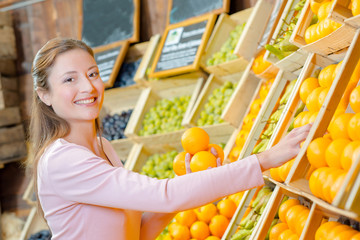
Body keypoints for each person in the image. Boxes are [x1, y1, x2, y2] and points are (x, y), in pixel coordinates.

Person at [27, 38, 311, 240]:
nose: (88, 86)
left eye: (93, 74)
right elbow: (163, 195)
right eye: (69, 79)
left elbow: (137, 233)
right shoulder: (62, 161)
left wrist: (186, 182)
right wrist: (265, 160)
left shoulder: (102, 147)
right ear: (45, 95)